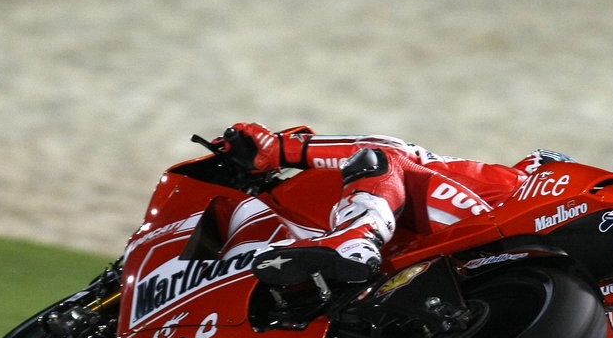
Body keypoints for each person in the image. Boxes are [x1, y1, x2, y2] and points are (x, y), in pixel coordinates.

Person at [208, 122, 571, 290]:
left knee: (382, 155)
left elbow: (401, 153)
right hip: (481, 271)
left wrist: (277, 150)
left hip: (475, 235)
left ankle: (354, 240)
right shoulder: (573, 267)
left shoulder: (508, 181)